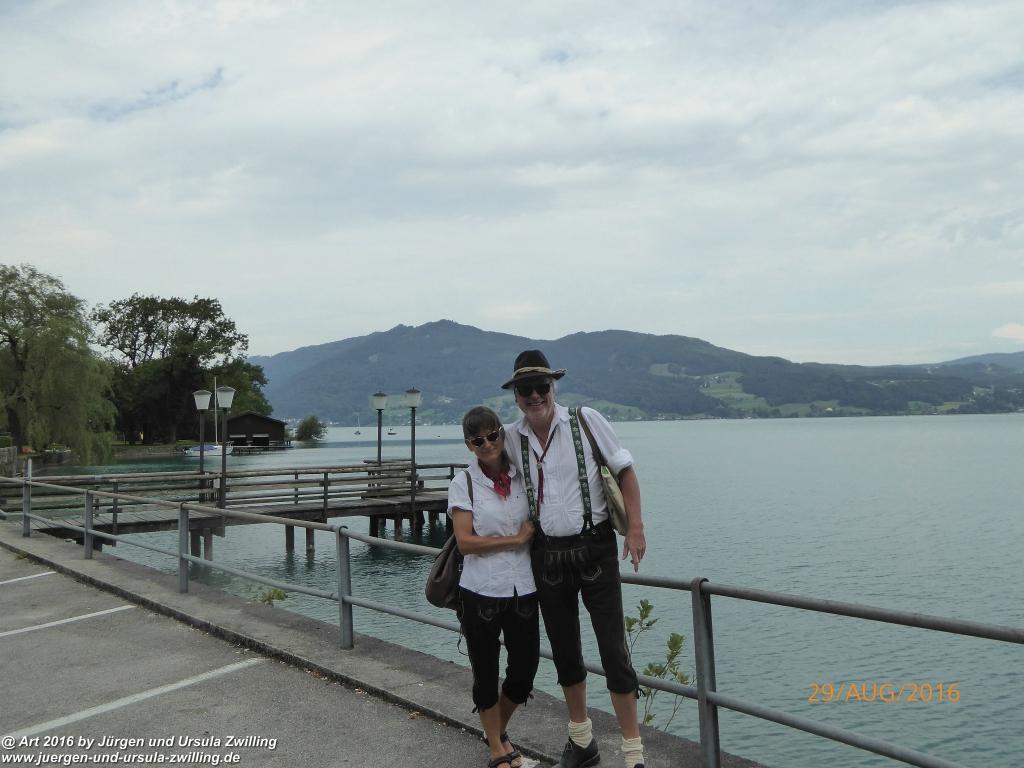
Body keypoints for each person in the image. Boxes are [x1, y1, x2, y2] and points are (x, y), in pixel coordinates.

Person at [502, 350, 647, 768]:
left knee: (613, 651)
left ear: (553, 388)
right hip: (546, 555)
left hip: (595, 549)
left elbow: (626, 473)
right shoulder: (512, 438)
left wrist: (635, 527)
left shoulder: (586, 421)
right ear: (515, 396)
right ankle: (582, 741)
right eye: (525, 389)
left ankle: (634, 754)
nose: (534, 396)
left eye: (541, 387)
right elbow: (485, 464)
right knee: (565, 651)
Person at [448, 406, 539, 768]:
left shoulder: (521, 477)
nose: (487, 444)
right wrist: (514, 540)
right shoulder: (464, 482)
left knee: (525, 669)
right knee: (485, 671)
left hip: (523, 588)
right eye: (478, 440)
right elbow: (465, 542)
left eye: (493, 435)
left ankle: (496, 729)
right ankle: (496, 748)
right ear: (469, 445)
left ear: (502, 435)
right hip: (481, 590)